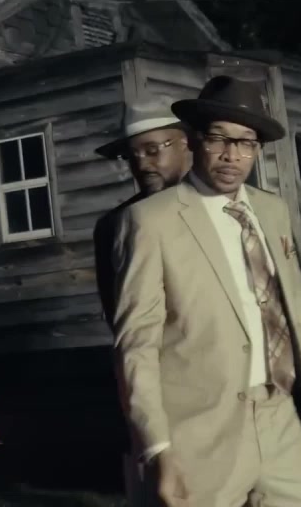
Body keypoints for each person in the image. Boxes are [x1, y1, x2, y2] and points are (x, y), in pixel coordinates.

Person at [112, 75, 301, 507]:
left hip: (280, 415)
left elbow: (297, 319)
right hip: (200, 430)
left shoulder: (272, 211)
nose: (231, 155)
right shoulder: (151, 220)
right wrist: (158, 447)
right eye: (219, 139)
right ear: (195, 140)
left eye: (245, 143)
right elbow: (136, 346)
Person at [90, 94, 192, 506]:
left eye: (153, 150)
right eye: (132, 156)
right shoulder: (115, 226)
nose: (142, 164)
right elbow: (120, 317)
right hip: (156, 387)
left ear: (186, 144)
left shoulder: (223, 210)